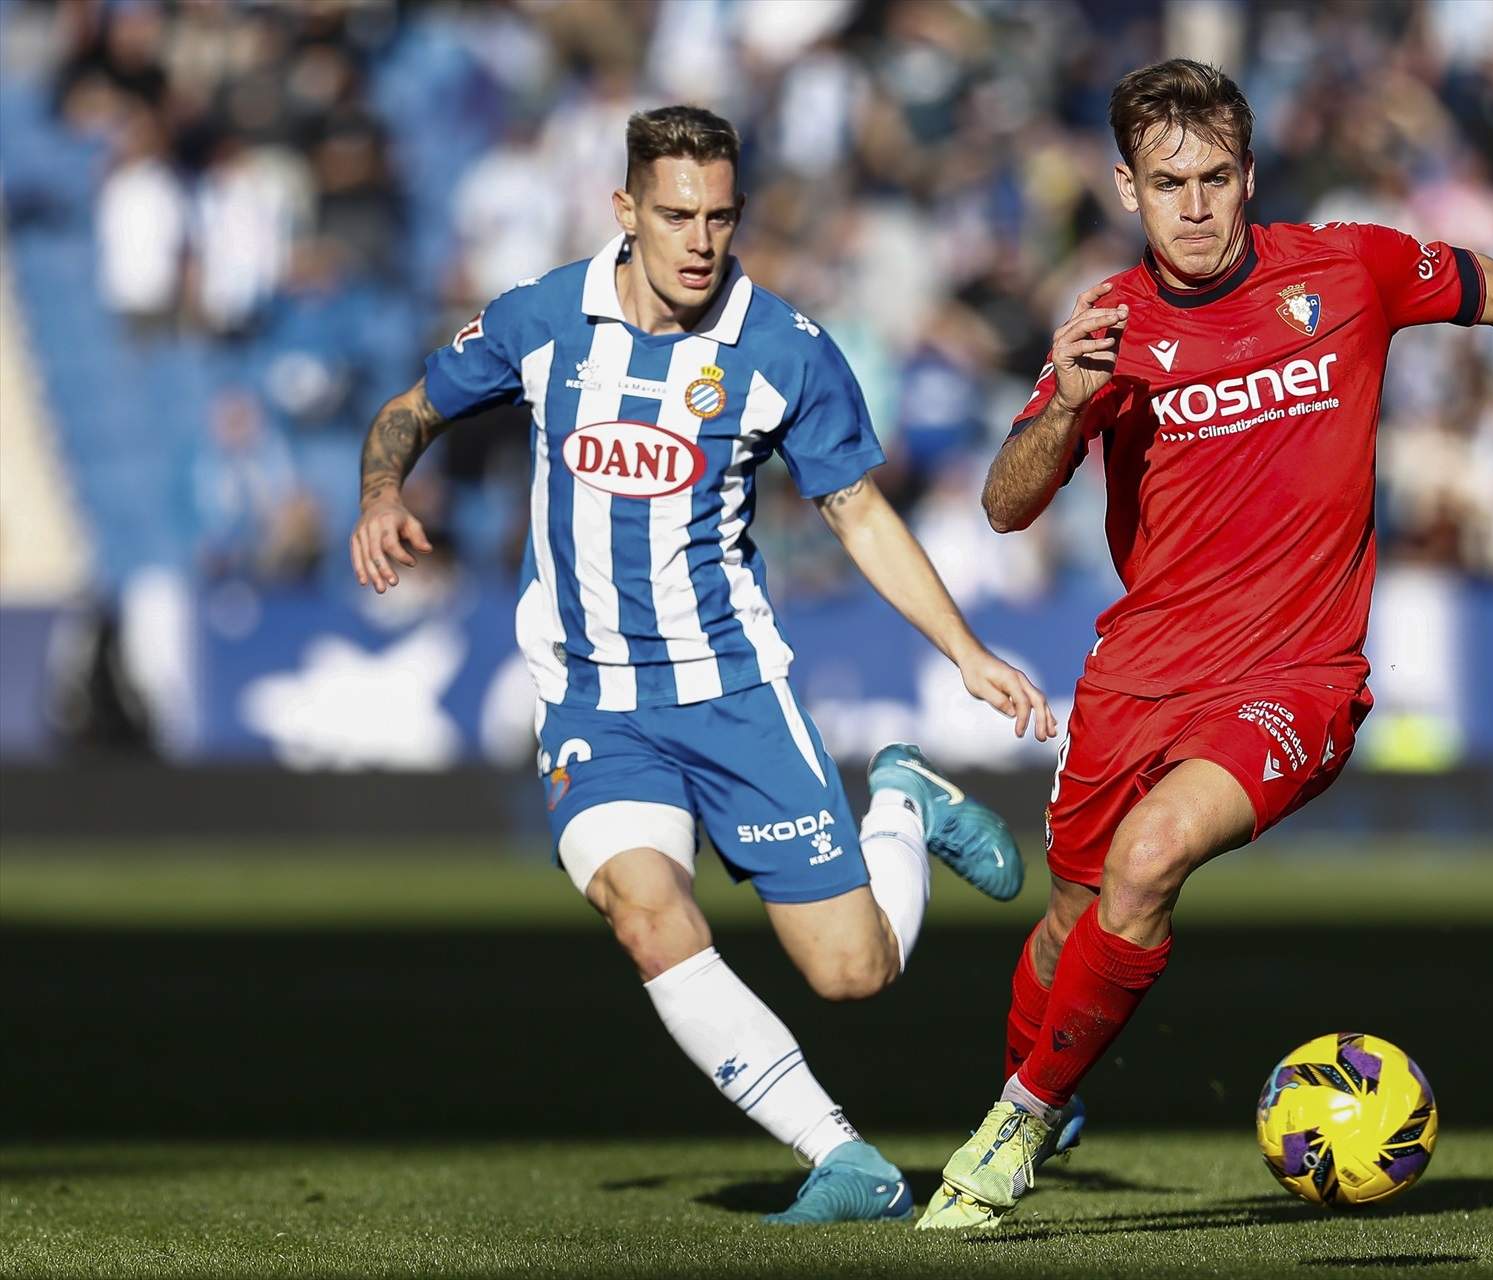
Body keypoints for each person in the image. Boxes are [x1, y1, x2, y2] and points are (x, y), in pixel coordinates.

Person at [916, 58, 1493, 1230]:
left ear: (1250, 172)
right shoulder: (1110, 330)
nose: (1198, 206)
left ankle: (1007, 1128)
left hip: (1294, 679)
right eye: (1170, 184)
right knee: (1072, 921)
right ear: (1127, 187)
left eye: (1217, 177)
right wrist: (1062, 402)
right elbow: (1005, 505)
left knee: (1152, 857)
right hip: (1138, 676)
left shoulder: (1347, 266)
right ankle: (1047, 1095)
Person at [348, 105, 1056, 1223]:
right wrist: (381, 492)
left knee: (853, 971)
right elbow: (410, 410)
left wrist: (964, 650)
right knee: (648, 910)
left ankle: (904, 805)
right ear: (624, 210)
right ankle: (845, 1158)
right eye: (676, 214)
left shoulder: (783, 349)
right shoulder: (543, 320)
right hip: (591, 699)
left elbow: (858, 511)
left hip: (732, 693)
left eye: (721, 217)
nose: (700, 241)